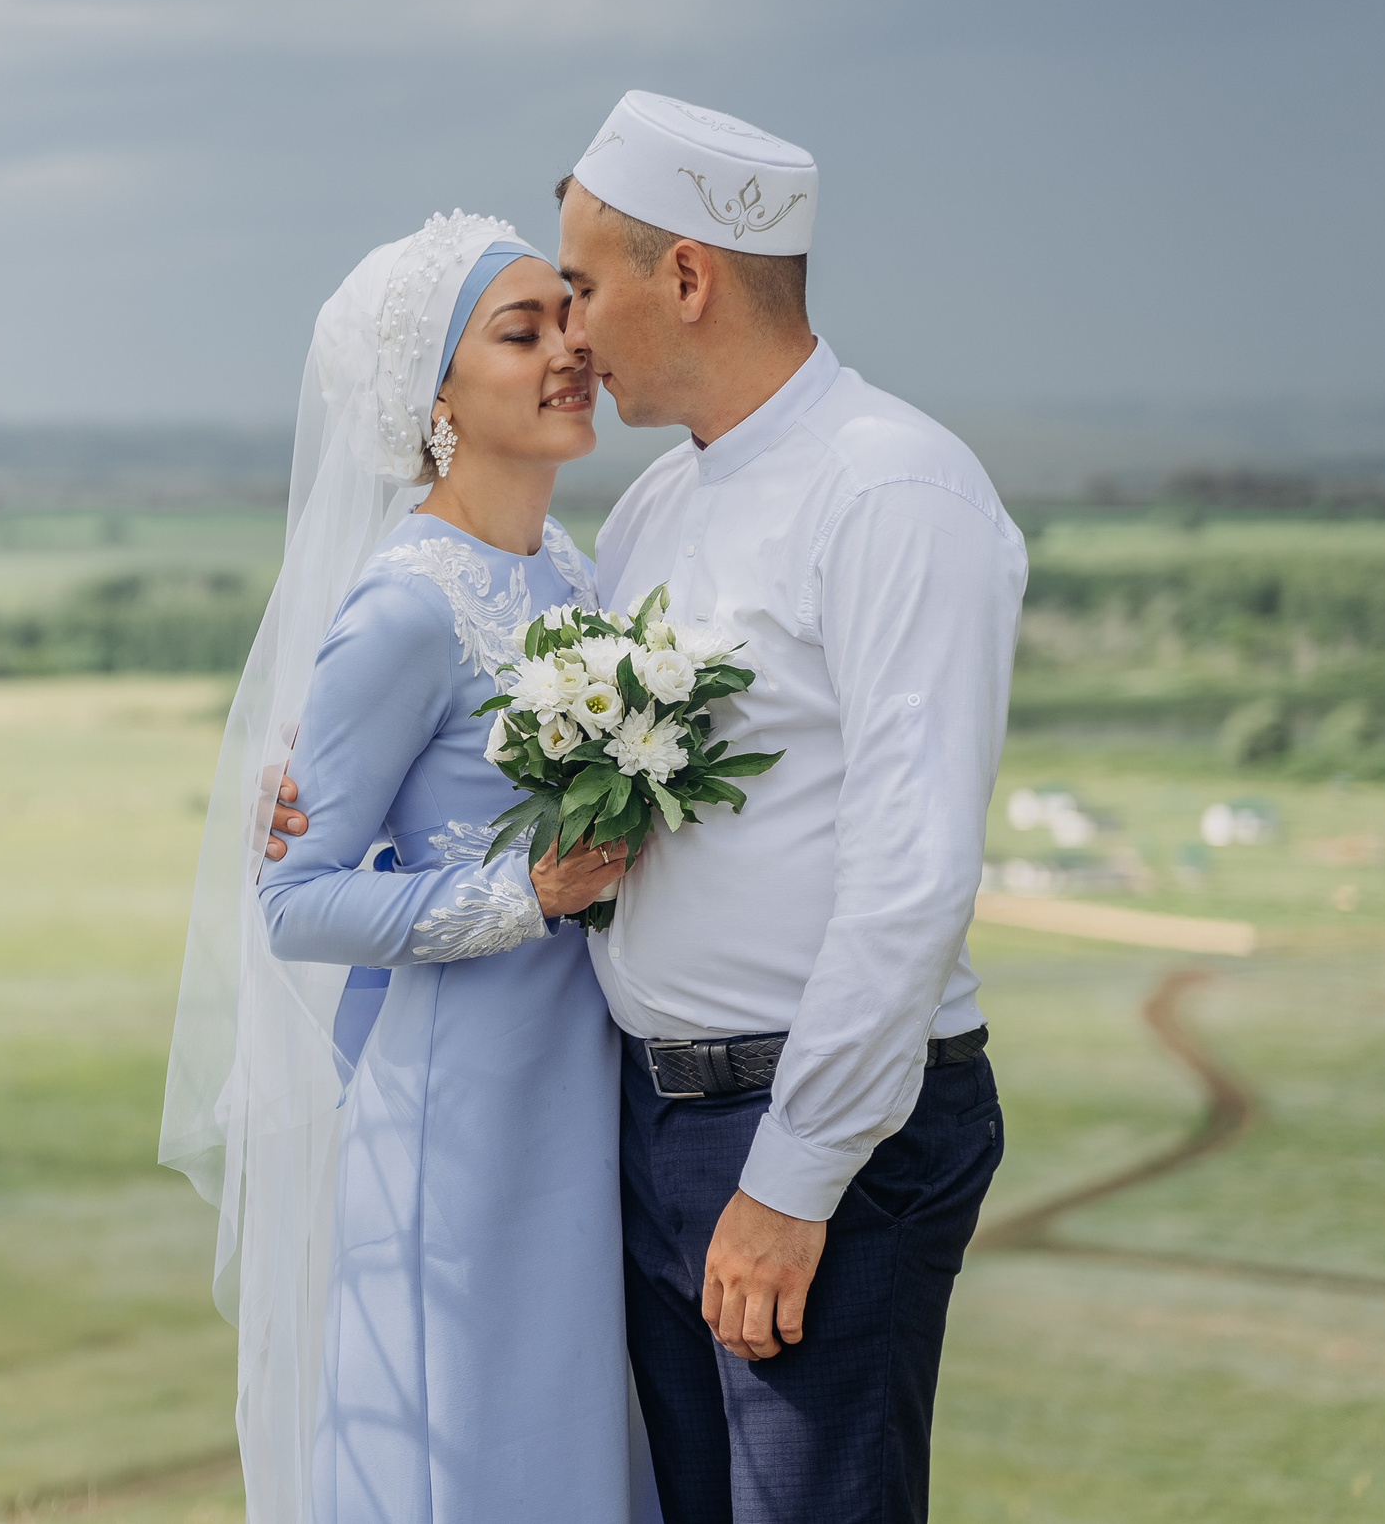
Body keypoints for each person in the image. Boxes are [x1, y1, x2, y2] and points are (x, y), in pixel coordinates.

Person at [268, 95, 1027, 1524]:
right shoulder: (639, 523)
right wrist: (317, 800)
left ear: (686, 280)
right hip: (637, 1126)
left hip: (811, 1128)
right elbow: (525, 770)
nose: (576, 336)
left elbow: (912, 873)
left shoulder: (895, 489)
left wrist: (793, 1182)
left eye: (586, 290)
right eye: (537, 315)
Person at [161, 211, 650, 1524]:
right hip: (457, 1112)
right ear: (432, 397)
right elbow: (294, 896)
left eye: (569, 317)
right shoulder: (404, 604)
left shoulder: (570, 570)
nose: (570, 349)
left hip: (577, 1086)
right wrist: (524, 894)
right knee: (479, 1455)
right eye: (521, 329)